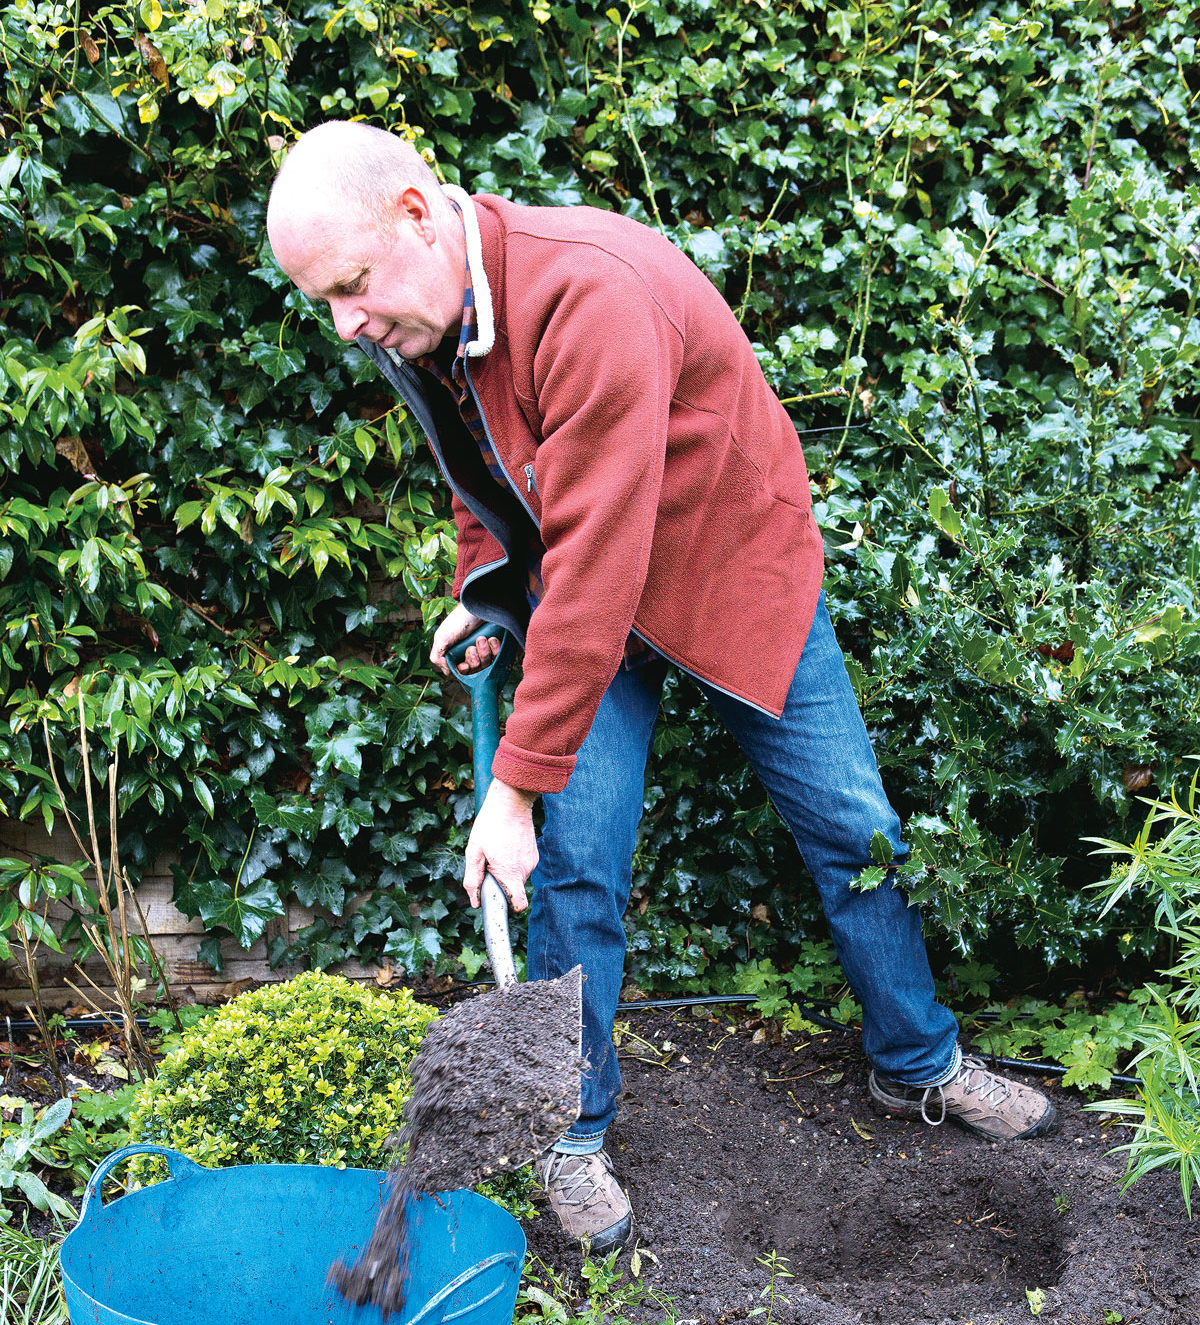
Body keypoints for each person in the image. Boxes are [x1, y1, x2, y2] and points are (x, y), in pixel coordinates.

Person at [267, 121, 1056, 1254]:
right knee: (579, 867)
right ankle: (572, 1135)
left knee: (853, 829)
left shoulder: (590, 295)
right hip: (599, 597)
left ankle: (917, 1063)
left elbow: (593, 561)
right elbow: (484, 469)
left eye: (350, 286)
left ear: (417, 211)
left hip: (731, 570)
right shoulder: (420, 314)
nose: (345, 322)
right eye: (323, 301)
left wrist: (511, 785)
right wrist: (485, 589)